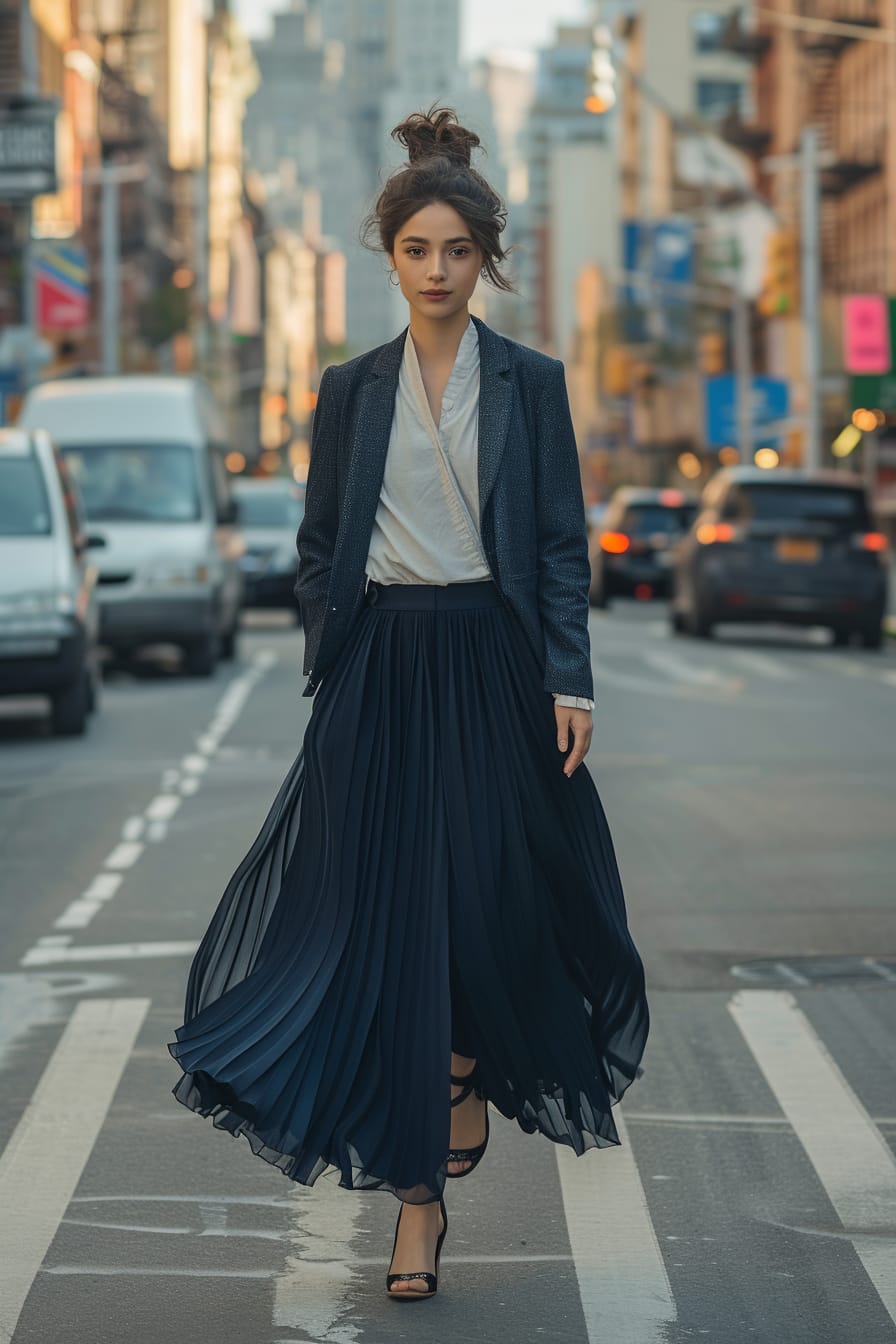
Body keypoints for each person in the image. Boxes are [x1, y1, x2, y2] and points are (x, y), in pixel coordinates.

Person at [168, 106, 648, 1303]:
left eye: (456, 252)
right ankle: (415, 1210)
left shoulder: (529, 386)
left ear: (487, 258)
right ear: (386, 257)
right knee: (380, 925)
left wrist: (566, 676)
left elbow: (554, 546)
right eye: (415, 251)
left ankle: (461, 1063)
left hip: (491, 663)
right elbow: (321, 536)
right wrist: (330, 649)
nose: (436, 271)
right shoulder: (349, 389)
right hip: (380, 670)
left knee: (487, 894)